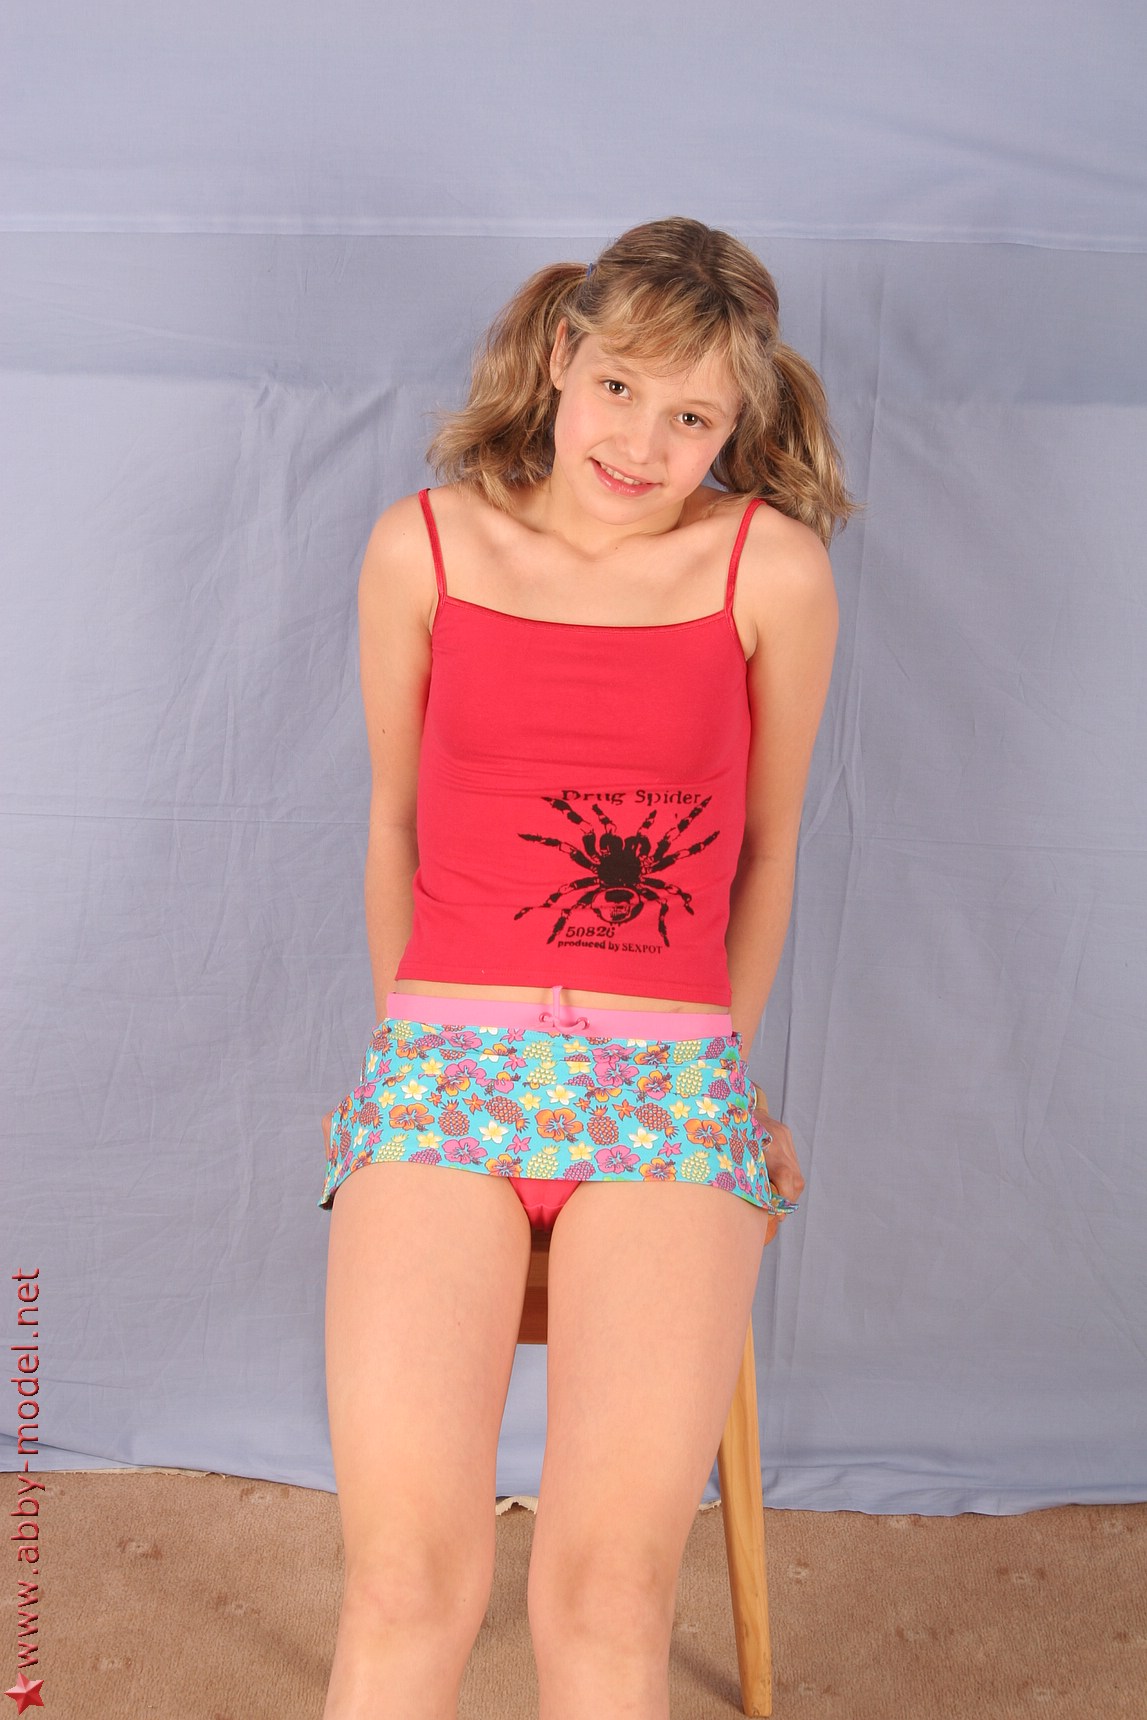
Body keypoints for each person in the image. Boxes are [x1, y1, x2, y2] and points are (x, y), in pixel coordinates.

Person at [318, 216, 856, 1720]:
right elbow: (393, 823)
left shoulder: (770, 569)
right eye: (621, 388)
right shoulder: (425, 545)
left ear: (738, 422)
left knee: (609, 1596)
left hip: (666, 1081)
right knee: (403, 1583)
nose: (642, 443)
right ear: (563, 355)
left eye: (693, 417)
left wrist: (721, 1067)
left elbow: (768, 855)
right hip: (446, 1067)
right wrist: (402, 1055)